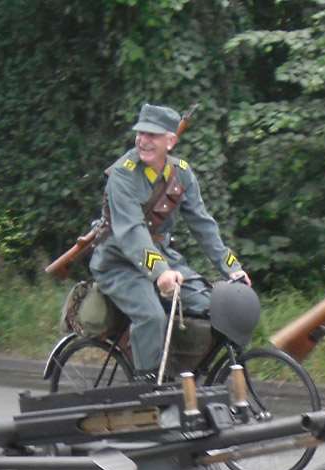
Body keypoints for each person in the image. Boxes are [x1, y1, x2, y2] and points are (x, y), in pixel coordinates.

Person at [89, 103, 249, 377]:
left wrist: (232, 266)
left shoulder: (181, 173)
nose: (143, 140)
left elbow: (203, 224)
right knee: (151, 317)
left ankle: (179, 372)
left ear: (171, 141)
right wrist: (160, 272)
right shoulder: (123, 175)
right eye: (141, 133)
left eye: (152, 135)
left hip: (163, 257)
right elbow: (132, 233)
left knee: (212, 306)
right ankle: (147, 386)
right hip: (119, 262)